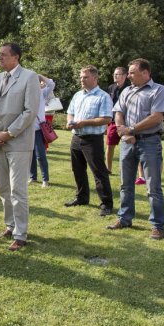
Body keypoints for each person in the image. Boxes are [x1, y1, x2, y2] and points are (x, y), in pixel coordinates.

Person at [0, 43, 40, 252]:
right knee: (3, 188)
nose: (0, 58)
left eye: (4, 55)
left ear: (16, 57)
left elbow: (30, 111)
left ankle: (20, 234)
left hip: (18, 142)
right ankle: (10, 225)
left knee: (18, 190)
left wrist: (9, 133)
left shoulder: (29, 77)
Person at [107, 58, 164, 240]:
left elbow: (156, 117)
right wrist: (124, 133)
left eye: (133, 73)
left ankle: (157, 226)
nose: (129, 76)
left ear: (145, 73)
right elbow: (118, 112)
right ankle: (124, 218)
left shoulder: (159, 90)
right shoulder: (127, 90)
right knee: (125, 184)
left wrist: (132, 129)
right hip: (128, 142)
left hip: (150, 142)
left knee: (153, 187)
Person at [64, 66, 114, 216]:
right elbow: (70, 112)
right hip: (76, 138)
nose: (82, 80)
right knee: (78, 170)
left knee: (99, 173)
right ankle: (82, 197)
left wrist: (84, 123)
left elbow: (106, 119)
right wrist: (70, 121)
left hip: (92, 140)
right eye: (80, 77)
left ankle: (106, 204)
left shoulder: (103, 96)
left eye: (85, 77)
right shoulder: (78, 95)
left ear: (94, 78)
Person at [30, 74, 55, 187]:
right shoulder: (24, 93)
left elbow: (51, 84)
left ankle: (45, 180)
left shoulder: (42, 93)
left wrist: (39, 76)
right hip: (27, 130)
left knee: (40, 155)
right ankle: (33, 177)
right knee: (30, 155)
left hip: (39, 129)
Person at [106, 67, 130, 176]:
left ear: (124, 76)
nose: (115, 76)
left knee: (129, 146)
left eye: (118, 74)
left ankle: (136, 173)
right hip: (112, 121)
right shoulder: (111, 87)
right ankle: (108, 169)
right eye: (114, 74)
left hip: (127, 122)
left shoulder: (130, 88)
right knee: (109, 145)